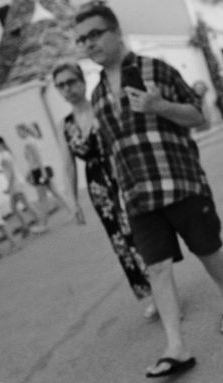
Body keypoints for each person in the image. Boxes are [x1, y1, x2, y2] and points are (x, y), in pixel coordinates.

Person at [74, 4, 223, 378]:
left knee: (206, 248)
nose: (89, 43)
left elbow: (197, 115)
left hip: (180, 182)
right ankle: (176, 347)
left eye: (95, 34)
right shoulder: (98, 94)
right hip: (138, 198)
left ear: (116, 32)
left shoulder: (156, 70)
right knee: (157, 268)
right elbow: (114, 151)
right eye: (82, 39)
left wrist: (159, 105)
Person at [52, 61, 158, 319]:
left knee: (141, 234)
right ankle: (152, 295)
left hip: (121, 173)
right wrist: (73, 201)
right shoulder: (64, 125)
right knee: (121, 242)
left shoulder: (102, 108)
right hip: (98, 186)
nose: (67, 89)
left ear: (82, 81)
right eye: (61, 86)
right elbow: (67, 165)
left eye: (71, 82)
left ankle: (164, 289)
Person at [0, 136, 43, 235]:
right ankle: (27, 225)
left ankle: (40, 221)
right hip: (15, 183)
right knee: (15, 207)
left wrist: (9, 187)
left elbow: (12, 173)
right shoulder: (6, 154)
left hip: (15, 184)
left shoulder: (5, 156)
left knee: (25, 205)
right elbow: (9, 170)